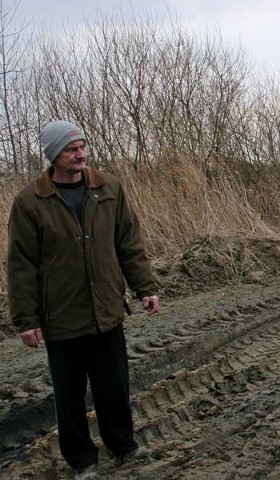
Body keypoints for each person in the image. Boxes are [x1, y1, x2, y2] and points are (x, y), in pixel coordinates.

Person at [7, 121, 160, 480]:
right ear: (53, 156)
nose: (80, 154)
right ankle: (82, 461)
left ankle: (123, 446)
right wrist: (26, 320)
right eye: (70, 149)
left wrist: (146, 288)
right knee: (69, 396)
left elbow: (129, 245)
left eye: (82, 146)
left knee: (115, 387)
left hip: (106, 309)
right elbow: (21, 265)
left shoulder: (109, 189)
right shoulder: (30, 202)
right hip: (60, 316)